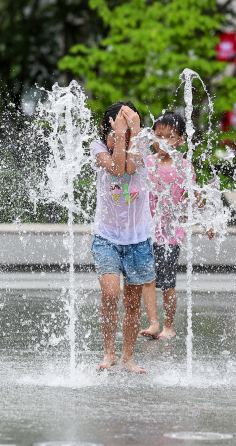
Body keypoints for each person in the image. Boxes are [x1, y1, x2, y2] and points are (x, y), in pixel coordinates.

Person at [139, 112, 215, 340]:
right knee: (148, 279)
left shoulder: (183, 167)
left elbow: (194, 199)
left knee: (168, 283)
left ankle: (169, 326)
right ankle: (153, 323)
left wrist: (207, 221)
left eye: (169, 137)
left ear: (181, 140)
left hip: (170, 235)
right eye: (158, 135)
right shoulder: (146, 162)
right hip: (146, 232)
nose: (162, 141)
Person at [91, 101, 154, 374]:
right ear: (107, 131)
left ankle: (127, 357)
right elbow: (117, 170)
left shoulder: (141, 146)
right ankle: (109, 352)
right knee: (110, 293)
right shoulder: (98, 149)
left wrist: (135, 131)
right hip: (107, 237)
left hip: (138, 239)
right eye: (117, 132)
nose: (123, 138)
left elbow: (131, 167)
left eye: (127, 132)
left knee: (132, 303)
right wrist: (119, 134)